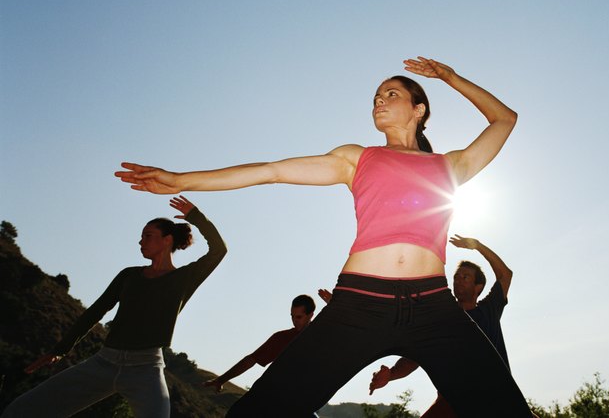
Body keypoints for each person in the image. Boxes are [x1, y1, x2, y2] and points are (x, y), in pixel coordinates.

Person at [115, 56, 533, 417]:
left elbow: (505, 119)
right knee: (262, 411)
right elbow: (271, 170)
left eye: (390, 94)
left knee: (504, 411)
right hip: (358, 305)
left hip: (434, 309)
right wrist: (179, 179)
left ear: (419, 109)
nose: (379, 101)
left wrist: (450, 76)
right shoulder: (356, 158)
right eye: (375, 97)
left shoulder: (451, 166)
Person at [1, 196, 227, 418]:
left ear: (167, 240)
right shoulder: (128, 275)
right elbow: (96, 311)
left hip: (146, 369)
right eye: (140, 237)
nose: (141, 242)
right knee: (20, 410)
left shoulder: (184, 278)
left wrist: (195, 216)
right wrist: (60, 349)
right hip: (103, 363)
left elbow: (219, 249)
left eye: (148, 236)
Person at [368, 234, 517, 417]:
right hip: (454, 402)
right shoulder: (441, 322)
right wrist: (391, 374)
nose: (458, 280)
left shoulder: (488, 311)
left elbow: (505, 275)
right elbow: (412, 359)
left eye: (465, 277)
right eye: (456, 276)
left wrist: (477, 246)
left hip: (497, 398)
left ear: (478, 287)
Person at [203, 294, 317, 393]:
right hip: (277, 395)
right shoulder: (281, 338)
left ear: (310, 315)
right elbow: (251, 360)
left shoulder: (323, 336)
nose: (294, 321)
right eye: (292, 316)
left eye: (299, 317)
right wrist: (221, 380)